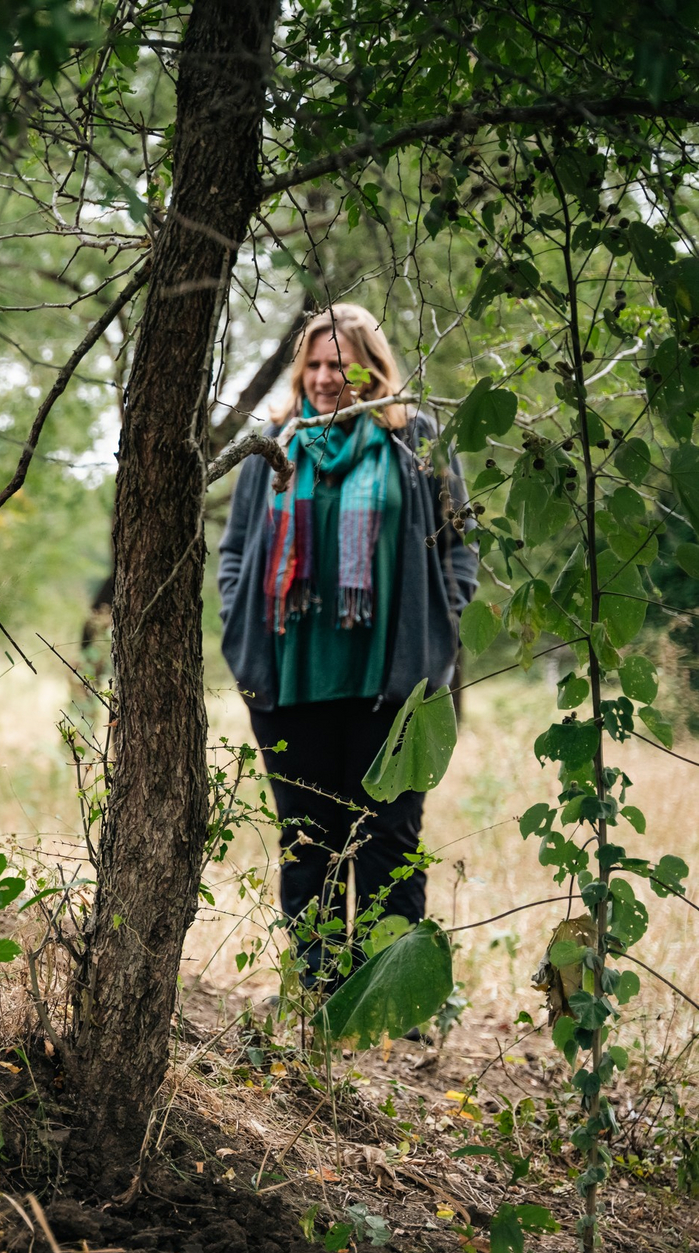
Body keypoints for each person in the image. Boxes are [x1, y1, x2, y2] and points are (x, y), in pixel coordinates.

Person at [217, 304, 477, 987]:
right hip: (290, 681)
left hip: (392, 685)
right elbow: (236, 551)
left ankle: (390, 1002)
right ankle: (321, 999)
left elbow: (460, 545)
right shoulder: (274, 443)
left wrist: (443, 625)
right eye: (314, 364)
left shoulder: (414, 441)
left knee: (388, 841)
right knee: (310, 844)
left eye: (340, 364)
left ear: (372, 369)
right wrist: (238, 629)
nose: (325, 377)